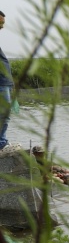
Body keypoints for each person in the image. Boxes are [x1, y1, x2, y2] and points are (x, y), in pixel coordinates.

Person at [0, 11, 14, 150]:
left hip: (5, 84)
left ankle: (2, 142)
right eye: (0, 23)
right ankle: (1, 143)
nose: (2, 27)